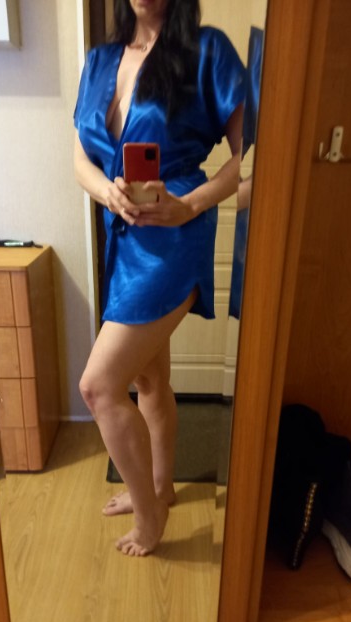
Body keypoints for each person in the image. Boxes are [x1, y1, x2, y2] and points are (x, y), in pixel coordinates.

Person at [73, 0, 246, 557]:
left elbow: (250, 156)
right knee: (149, 380)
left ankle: (150, 517)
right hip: (122, 238)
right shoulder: (100, 61)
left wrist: (190, 205)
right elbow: (80, 158)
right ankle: (160, 486)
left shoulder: (208, 51)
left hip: (174, 238)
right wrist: (108, 192)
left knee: (99, 386)